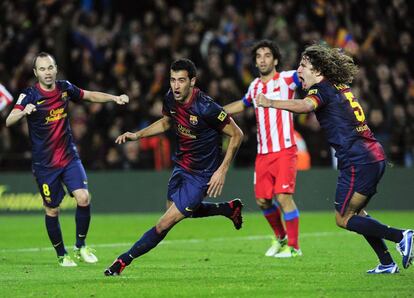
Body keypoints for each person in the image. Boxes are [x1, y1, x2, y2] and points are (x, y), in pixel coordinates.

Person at [257, 43, 413, 274]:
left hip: (357, 160)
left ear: (318, 71)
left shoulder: (320, 90)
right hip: (373, 156)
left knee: (343, 219)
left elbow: (305, 105)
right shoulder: (337, 86)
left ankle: (402, 235)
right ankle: (387, 263)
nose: (299, 70)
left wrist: (270, 102)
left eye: (303, 65)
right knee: (357, 213)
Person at [104, 58, 244, 276]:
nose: (176, 85)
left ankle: (122, 261)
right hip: (181, 165)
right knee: (177, 209)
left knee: (163, 224)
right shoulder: (170, 98)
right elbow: (166, 122)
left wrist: (222, 170)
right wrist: (137, 135)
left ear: (192, 81)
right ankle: (228, 208)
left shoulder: (206, 107)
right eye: (172, 80)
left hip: (202, 175)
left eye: (181, 80)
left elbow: (237, 134)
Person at [6, 52, 129, 267]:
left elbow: (88, 95)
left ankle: (80, 246)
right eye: (42, 69)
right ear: (36, 73)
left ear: (56, 69)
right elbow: (9, 120)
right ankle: (62, 254)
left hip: (69, 156)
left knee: (84, 198)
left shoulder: (64, 88)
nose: (47, 72)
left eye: (50, 67)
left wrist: (113, 97)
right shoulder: (29, 95)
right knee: (52, 209)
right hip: (45, 164)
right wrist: (24, 112)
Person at [224, 40, 302, 258]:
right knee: (262, 200)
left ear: (275, 60)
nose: (263, 59)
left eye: (267, 55)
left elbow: (305, 76)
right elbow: (242, 104)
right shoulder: (255, 86)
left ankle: (294, 248)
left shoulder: (287, 79)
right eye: (259, 56)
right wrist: (217, 113)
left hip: (285, 149)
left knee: (283, 197)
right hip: (264, 153)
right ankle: (281, 238)